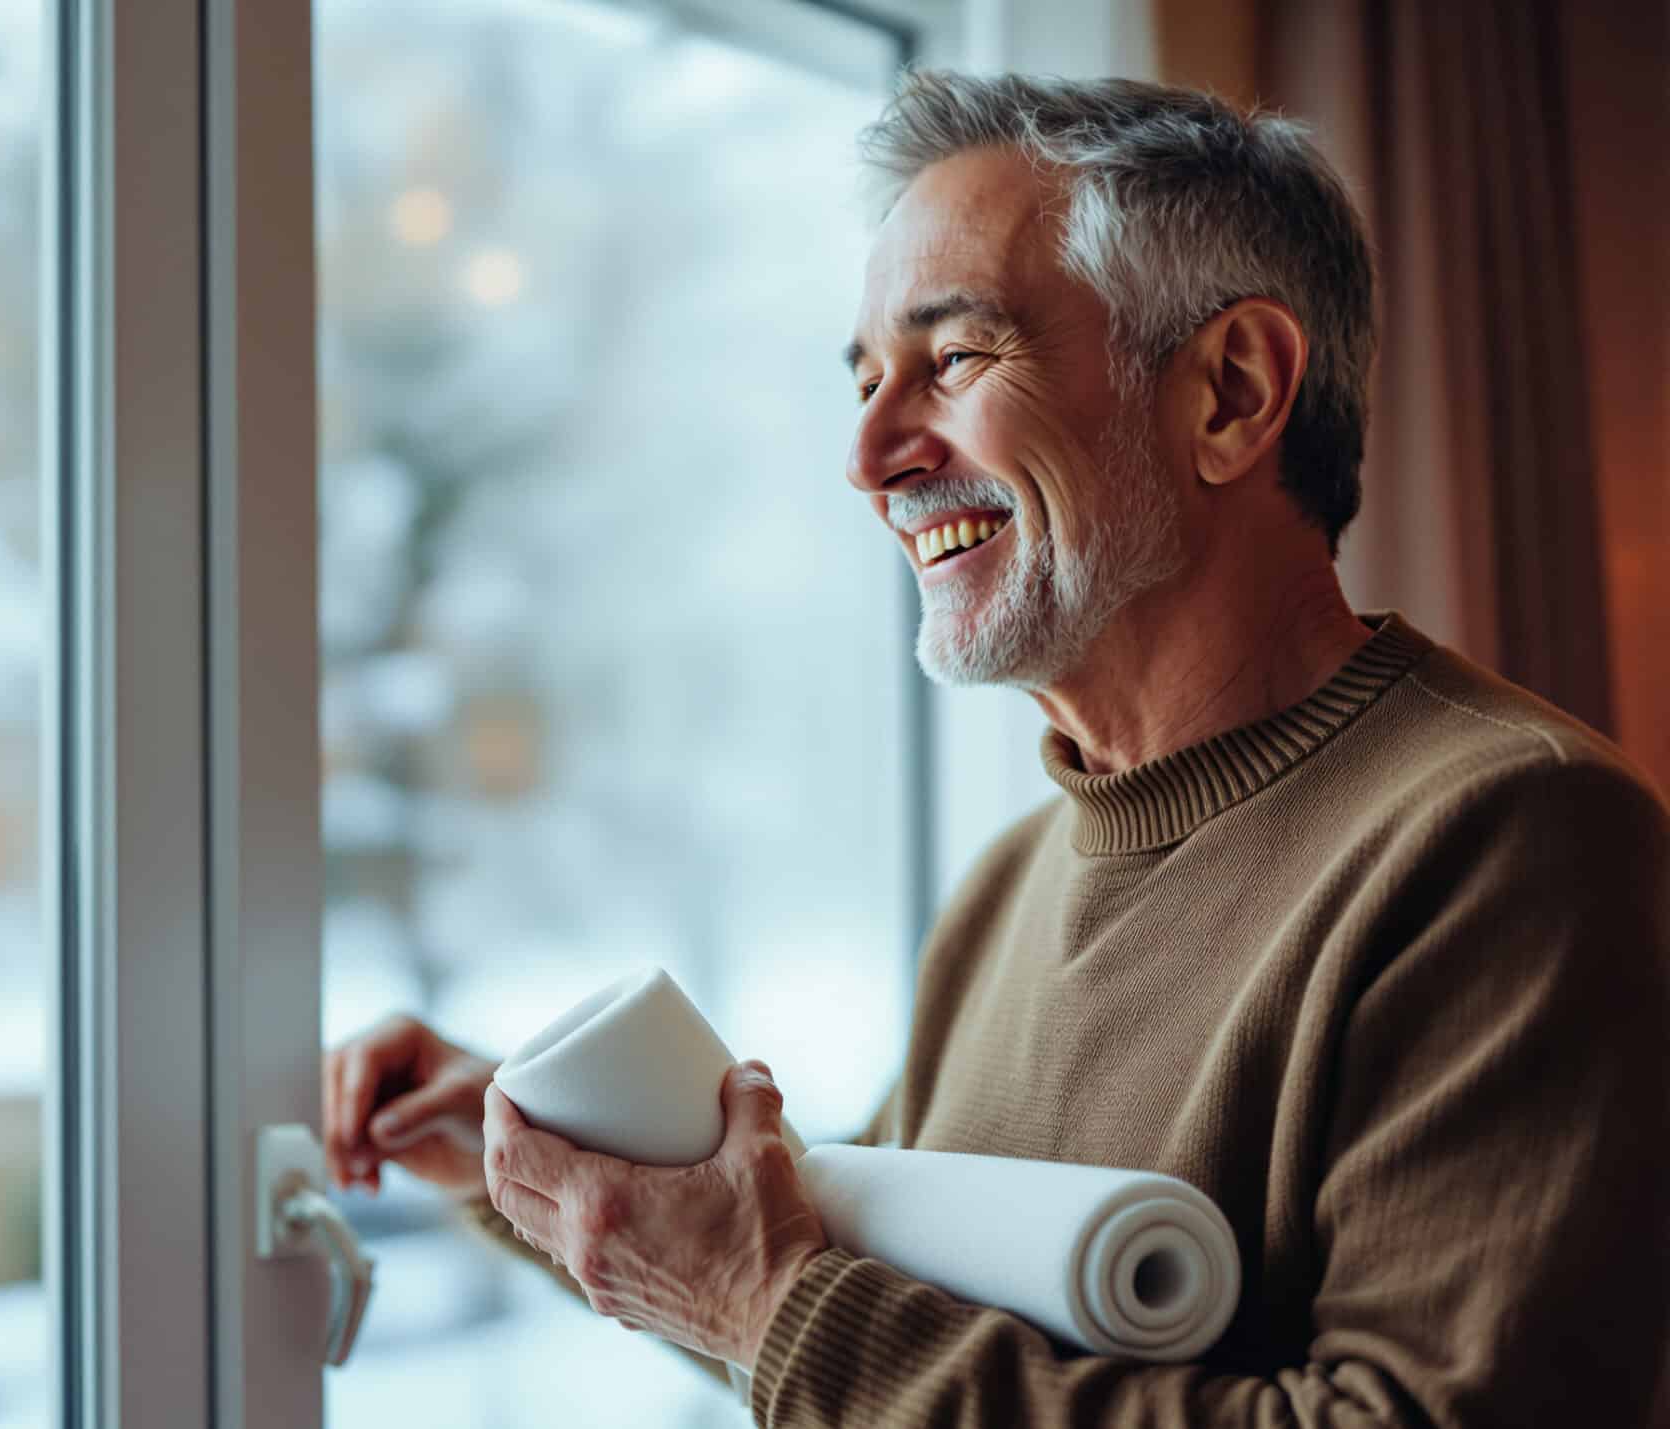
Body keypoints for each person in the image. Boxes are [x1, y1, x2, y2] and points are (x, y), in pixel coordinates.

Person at [321, 71, 1670, 1428]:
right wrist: (526, 1161)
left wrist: (767, 1302)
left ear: (1231, 392)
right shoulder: (1008, 885)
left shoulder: (1519, 839)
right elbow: (858, 1313)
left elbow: (814, 1320)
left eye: (953, 358)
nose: (869, 455)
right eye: (863, 380)